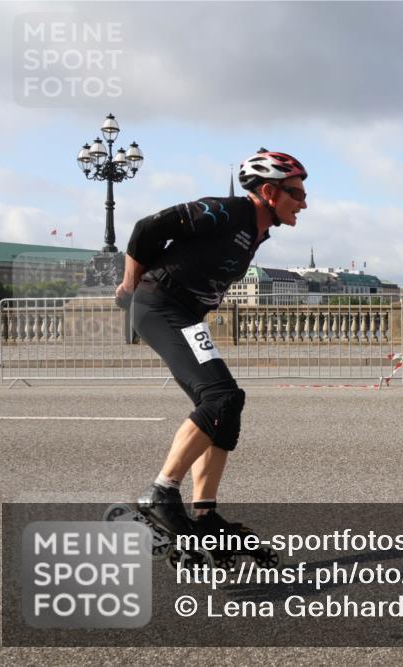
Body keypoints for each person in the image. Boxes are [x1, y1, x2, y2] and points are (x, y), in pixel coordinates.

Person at [114, 148, 307, 537]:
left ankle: (205, 516)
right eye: (297, 194)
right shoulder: (225, 212)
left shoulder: (257, 231)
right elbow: (146, 229)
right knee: (219, 397)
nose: (303, 203)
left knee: (227, 405)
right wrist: (130, 286)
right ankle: (160, 493)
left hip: (186, 316)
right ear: (270, 192)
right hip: (160, 305)